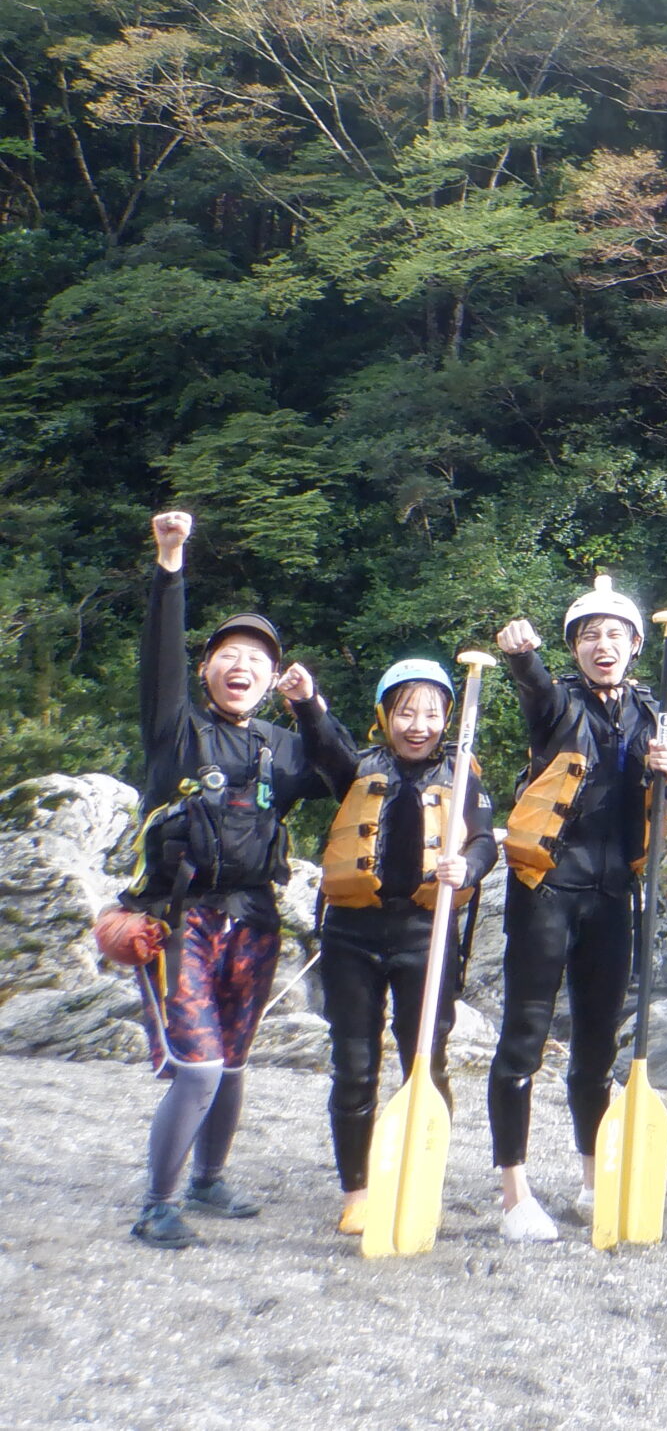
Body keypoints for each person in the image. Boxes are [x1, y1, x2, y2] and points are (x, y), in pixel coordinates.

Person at [119, 510, 335, 1249]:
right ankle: (156, 1202)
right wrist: (170, 563)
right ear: (207, 668)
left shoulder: (280, 744)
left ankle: (209, 1179)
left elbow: (341, 774)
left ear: (274, 679)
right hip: (180, 919)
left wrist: (310, 710)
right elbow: (159, 662)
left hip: (256, 918)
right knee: (200, 1066)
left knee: (234, 1061)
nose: (242, 665)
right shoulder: (176, 730)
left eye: (258, 659)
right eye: (228, 654)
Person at [487, 574, 667, 1243]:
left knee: (597, 1047)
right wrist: (522, 655)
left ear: (636, 644)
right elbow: (535, 690)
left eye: (614, 634)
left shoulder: (654, 710)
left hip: (613, 896)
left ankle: (588, 1180)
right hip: (546, 887)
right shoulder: (558, 701)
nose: (602, 645)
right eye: (588, 635)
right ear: (574, 647)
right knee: (524, 1036)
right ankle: (514, 1190)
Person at [303, 659, 498, 1236]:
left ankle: (420, 1176)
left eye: (433, 712)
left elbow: (485, 838)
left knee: (426, 1062)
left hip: (424, 936)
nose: (419, 724)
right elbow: (323, 738)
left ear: (446, 718)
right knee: (356, 1066)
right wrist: (307, 703)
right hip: (352, 937)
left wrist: (466, 868)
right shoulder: (356, 766)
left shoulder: (461, 772)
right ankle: (357, 1190)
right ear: (385, 715)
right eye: (407, 711)